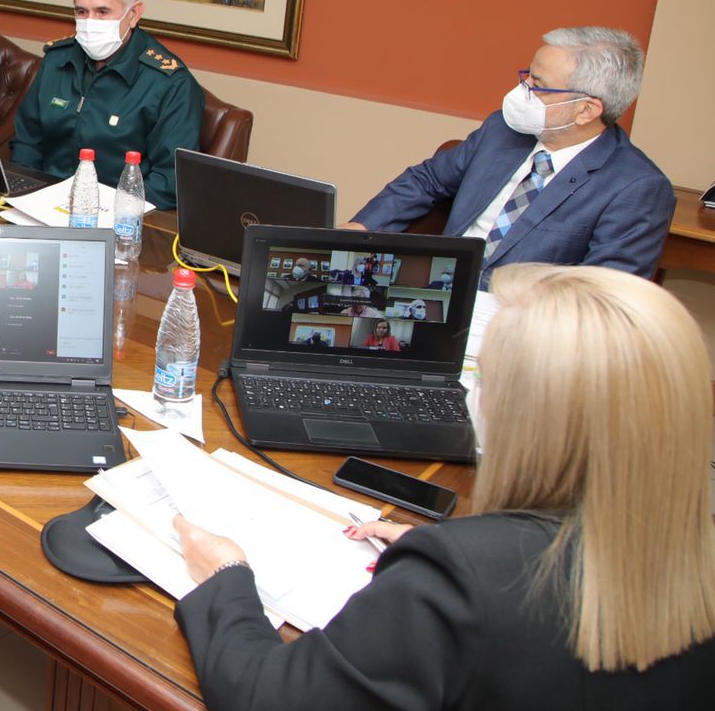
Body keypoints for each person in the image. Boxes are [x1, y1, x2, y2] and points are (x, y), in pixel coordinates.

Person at [170, 263, 715, 708]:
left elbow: (269, 697)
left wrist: (226, 574)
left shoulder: (463, 578)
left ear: (528, 417)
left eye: (484, 379)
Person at [342, 28, 673, 285]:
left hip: (521, 328)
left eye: (538, 83)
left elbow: (602, 299)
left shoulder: (636, 188)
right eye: (526, 74)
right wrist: (364, 226)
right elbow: (426, 180)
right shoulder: (502, 130)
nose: (522, 89)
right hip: (432, 290)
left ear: (586, 110)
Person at [10, 0, 202, 210]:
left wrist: (108, 213)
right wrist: (25, 195)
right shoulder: (58, 60)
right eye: (81, 12)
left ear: (133, 14)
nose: (90, 22)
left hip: (117, 217)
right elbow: (27, 141)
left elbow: (168, 183)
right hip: (44, 204)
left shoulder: (170, 84)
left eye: (102, 12)